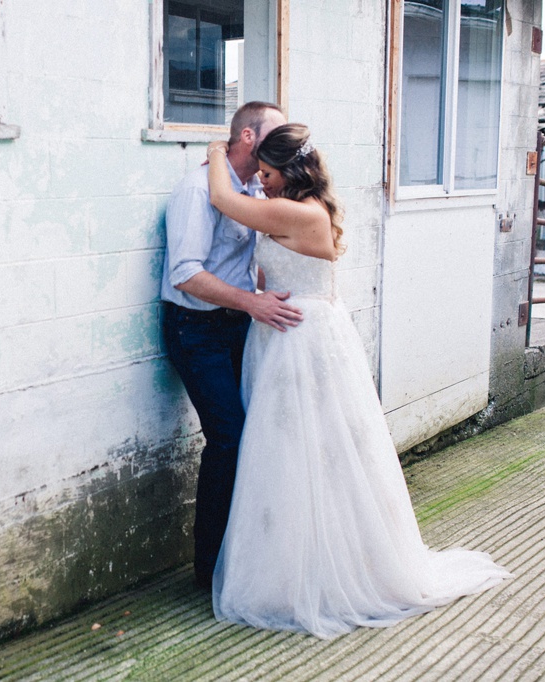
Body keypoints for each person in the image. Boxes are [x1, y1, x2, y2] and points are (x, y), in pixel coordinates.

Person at [204, 123, 511, 638]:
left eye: (268, 172)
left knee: (307, 452)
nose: (262, 182)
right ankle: (297, 562)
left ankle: (320, 573)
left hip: (300, 342)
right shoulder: (302, 206)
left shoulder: (298, 212)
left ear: (292, 171)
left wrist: (216, 149)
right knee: (292, 454)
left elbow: (220, 196)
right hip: (290, 334)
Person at [160, 101, 302, 591]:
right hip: (195, 330)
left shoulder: (249, 190)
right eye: (274, 133)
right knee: (230, 437)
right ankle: (210, 569)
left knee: (259, 432)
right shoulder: (198, 190)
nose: (284, 143)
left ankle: (248, 557)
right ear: (246, 137)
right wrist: (253, 302)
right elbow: (185, 274)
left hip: (238, 323)